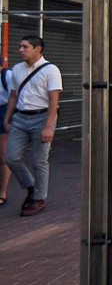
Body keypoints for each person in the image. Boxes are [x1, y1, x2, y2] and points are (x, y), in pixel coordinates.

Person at [4, 36, 63, 217]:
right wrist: (7, 118)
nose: (20, 50)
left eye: (25, 47)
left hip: (42, 117)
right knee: (11, 157)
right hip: (21, 118)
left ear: (37, 49)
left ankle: (38, 199)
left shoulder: (51, 70)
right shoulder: (17, 69)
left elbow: (54, 100)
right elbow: (13, 96)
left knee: (39, 161)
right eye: (20, 46)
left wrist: (47, 126)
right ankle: (31, 187)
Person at [0, 58, 12, 207]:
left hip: (3, 111)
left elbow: (14, 97)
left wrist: (8, 118)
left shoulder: (8, 76)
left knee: (3, 155)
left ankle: (2, 192)